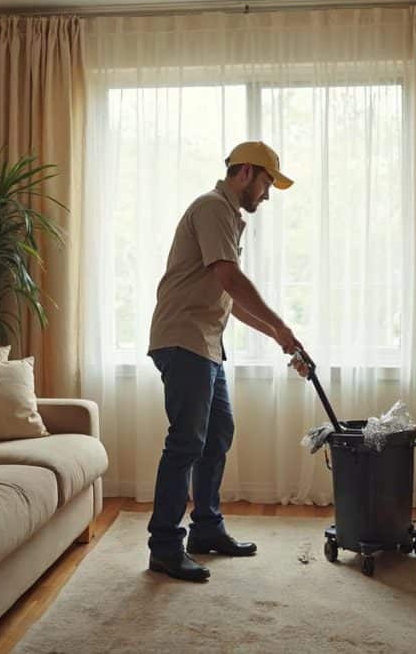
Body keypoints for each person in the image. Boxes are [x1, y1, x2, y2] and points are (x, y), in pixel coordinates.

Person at [146, 140, 310, 582]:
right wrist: (282, 328)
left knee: (218, 432)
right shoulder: (211, 208)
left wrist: (279, 338)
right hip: (183, 338)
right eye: (266, 183)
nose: (267, 194)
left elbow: (229, 299)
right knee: (186, 441)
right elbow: (232, 279)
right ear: (245, 172)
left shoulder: (229, 218)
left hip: (206, 343)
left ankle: (206, 530)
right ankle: (164, 545)